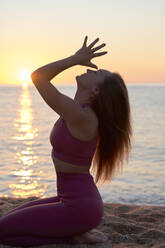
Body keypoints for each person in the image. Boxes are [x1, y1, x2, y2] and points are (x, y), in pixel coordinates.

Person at [0, 36, 133, 246]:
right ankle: (73, 233)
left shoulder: (82, 116)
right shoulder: (77, 111)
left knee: (3, 230)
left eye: (96, 73)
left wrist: (75, 58)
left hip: (79, 207)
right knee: (5, 221)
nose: (90, 69)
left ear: (96, 91)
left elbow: (38, 77)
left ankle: (69, 237)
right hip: (72, 200)